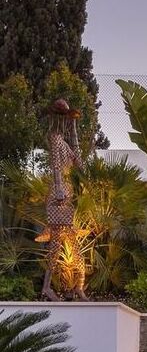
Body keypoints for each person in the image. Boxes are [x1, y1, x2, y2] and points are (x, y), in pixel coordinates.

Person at [39, 98, 88, 301]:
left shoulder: (65, 143)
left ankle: (77, 286)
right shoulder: (55, 139)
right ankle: (48, 288)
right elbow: (56, 167)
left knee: (72, 243)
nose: (63, 122)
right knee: (57, 244)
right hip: (58, 197)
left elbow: (80, 166)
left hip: (66, 197)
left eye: (65, 118)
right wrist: (59, 188)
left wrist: (74, 127)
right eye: (62, 117)